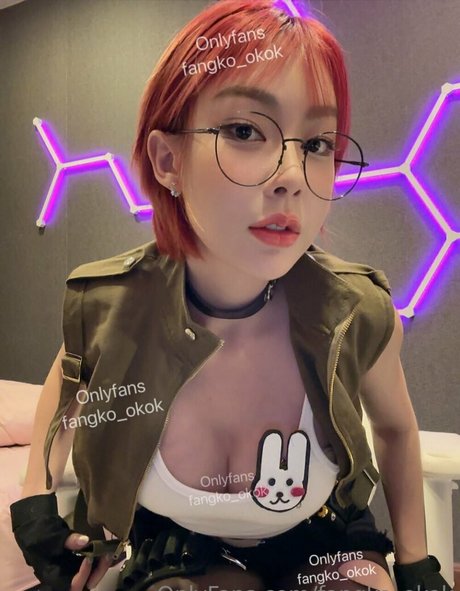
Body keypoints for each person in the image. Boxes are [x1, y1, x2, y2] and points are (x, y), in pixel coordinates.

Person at [10, 1, 453, 590]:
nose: (291, 175)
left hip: (325, 537)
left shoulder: (357, 314)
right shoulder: (110, 308)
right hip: (181, 544)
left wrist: (417, 563)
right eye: (245, 131)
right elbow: (68, 390)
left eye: (318, 144)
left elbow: (396, 430)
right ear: (167, 159)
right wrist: (36, 503)